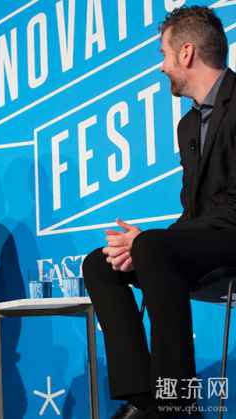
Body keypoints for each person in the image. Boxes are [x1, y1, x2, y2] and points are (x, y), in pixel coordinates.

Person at [83, 6, 235, 419]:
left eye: (164, 54)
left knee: (151, 245)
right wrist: (141, 244)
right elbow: (194, 212)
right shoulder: (189, 126)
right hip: (212, 238)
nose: (162, 66)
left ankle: (178, 404)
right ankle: (145, 398)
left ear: (186, 53)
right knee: (101, 263)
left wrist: (154, 242)